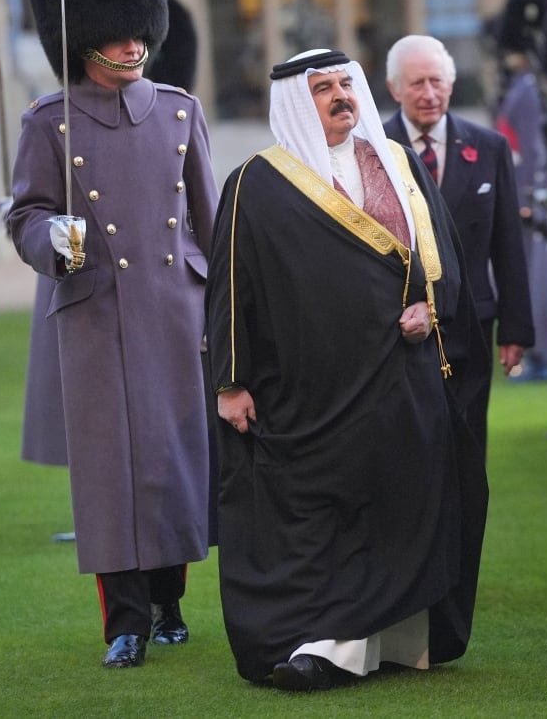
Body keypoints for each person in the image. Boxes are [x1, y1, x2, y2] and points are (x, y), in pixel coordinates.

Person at [206, 48, 488, 690]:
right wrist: (229, 381)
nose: (340, 97)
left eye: (344, 84)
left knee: (396, 511)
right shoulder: (257, 181)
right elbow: (228, 290)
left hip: (398, 381)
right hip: (305, 392)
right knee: (318, 520)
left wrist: (428, 305)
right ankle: (318, 647)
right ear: (294, 103)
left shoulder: (395, 160)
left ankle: (383, 642)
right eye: (322, 89)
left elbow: (441, 254)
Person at [8, 0, 218, 669]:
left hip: (170, 308)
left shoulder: (180, 111)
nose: (132, 46)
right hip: (96, 312)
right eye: (117, 34)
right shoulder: (49, 120)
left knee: (172, 461)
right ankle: (123, 620)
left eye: (139, 32)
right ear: (85, 38)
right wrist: (51, 238)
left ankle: (168, 601)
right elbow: (25, 213)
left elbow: (210, 223)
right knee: (110, 471)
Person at [383, 34, 536, 452]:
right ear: (395, 88)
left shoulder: (489, 147)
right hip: (399, 327)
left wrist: (516, 329)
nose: (429, 94)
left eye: (437, 81)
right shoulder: (372, 150)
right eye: (417, 84)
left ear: (451, 84)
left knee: (467, 443)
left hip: (473, 320)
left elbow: (508, 245)